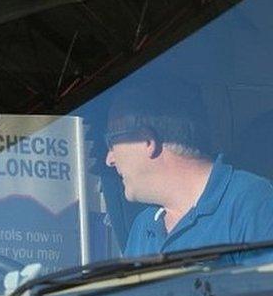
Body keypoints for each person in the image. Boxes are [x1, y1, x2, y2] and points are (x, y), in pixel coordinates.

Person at [104, 80, 273, 265]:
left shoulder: (253, 203)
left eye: (112, 143)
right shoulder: (143, 226)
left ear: (146, 141)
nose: (109, 159)